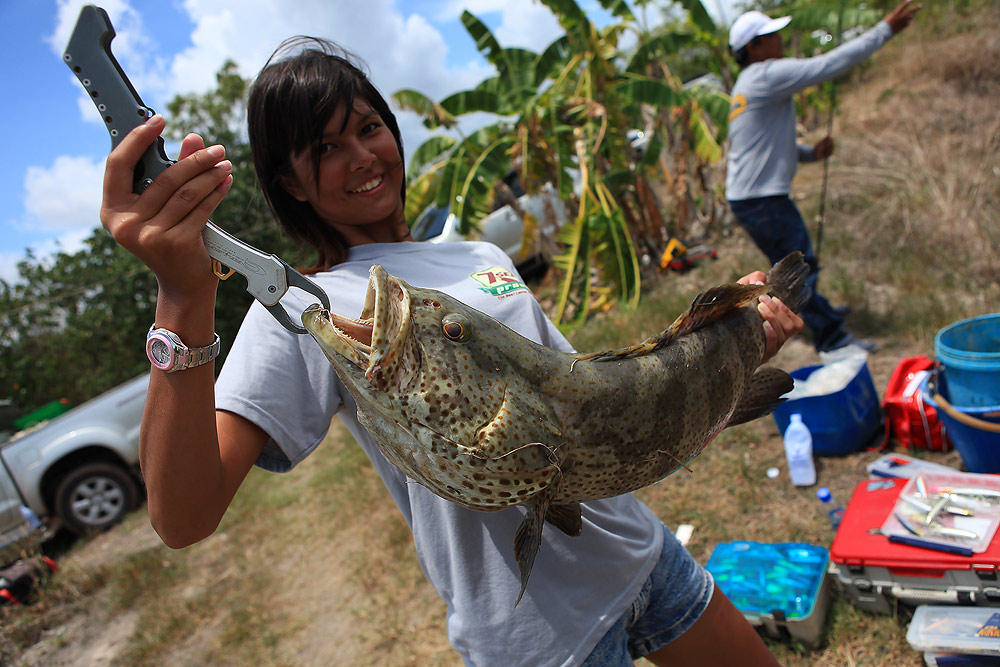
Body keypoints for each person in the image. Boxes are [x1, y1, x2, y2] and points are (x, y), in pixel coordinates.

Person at [100, 36, 803, 666]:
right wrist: (181, 298)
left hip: (641, 553)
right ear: (289, 182)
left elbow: (574, 388)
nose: (361, 158)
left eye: (368, 129)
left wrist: (721, 344)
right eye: (324, 149)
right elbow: (183, 515)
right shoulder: (307, 308)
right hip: (542, 640)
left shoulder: (477, 251)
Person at [725, 1, 921, 355]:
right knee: (800, 270)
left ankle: (820, 312)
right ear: (753, 48)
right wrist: (885, 29)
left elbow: (764, 145)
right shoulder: (766, 75)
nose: (780, 39)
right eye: (771, 35)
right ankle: (832, 339)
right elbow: (828, 65)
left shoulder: (745, 85)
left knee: (797, 265)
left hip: (752, 198)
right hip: (763, 200)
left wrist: (809, 153)